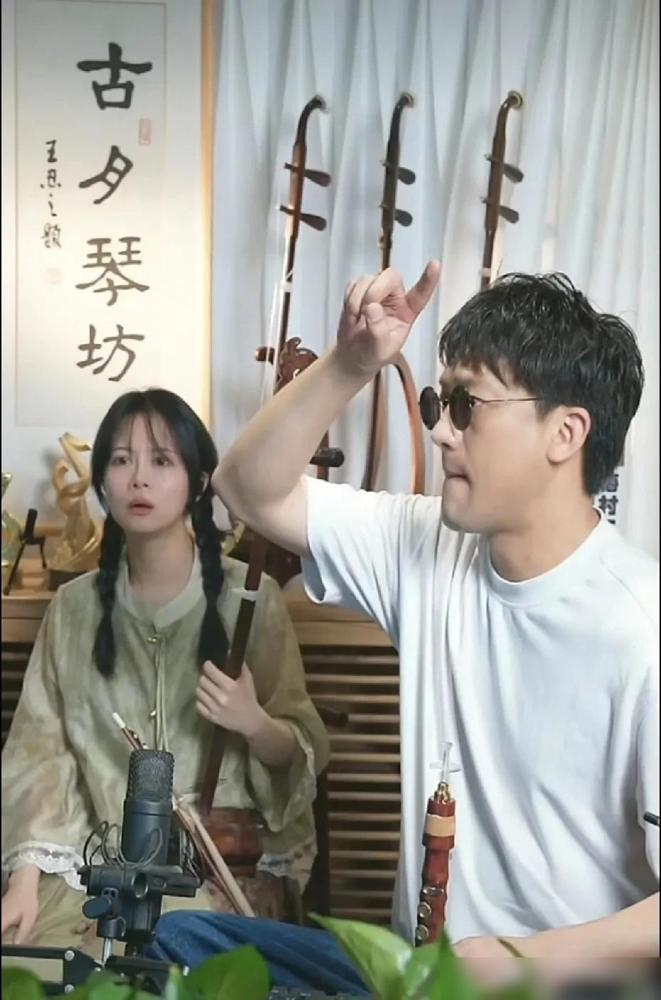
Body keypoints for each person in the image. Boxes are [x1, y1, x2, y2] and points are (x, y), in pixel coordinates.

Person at [183, 262, 657, 987]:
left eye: (466, 406)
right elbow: (246, 487)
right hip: (417, 977)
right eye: (439, 402)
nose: (438, 432)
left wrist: (518, 959)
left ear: (564, 433)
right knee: (187, 939)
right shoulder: (425, 543)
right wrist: (351, 364)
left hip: (556, 985)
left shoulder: (641, 626)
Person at [1, 388, 329, 961]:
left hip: (217, 865)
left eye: (161, 460)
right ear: (101, 482)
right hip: (93, 865)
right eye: (121, 460)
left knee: (172, 954)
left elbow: (301, 750)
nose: (139, 479)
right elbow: (40, 754)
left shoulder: (250, 601)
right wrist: (24, 879)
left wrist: (253, 722)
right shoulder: (73, 609)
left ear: (199, 482)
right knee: (40, 966)